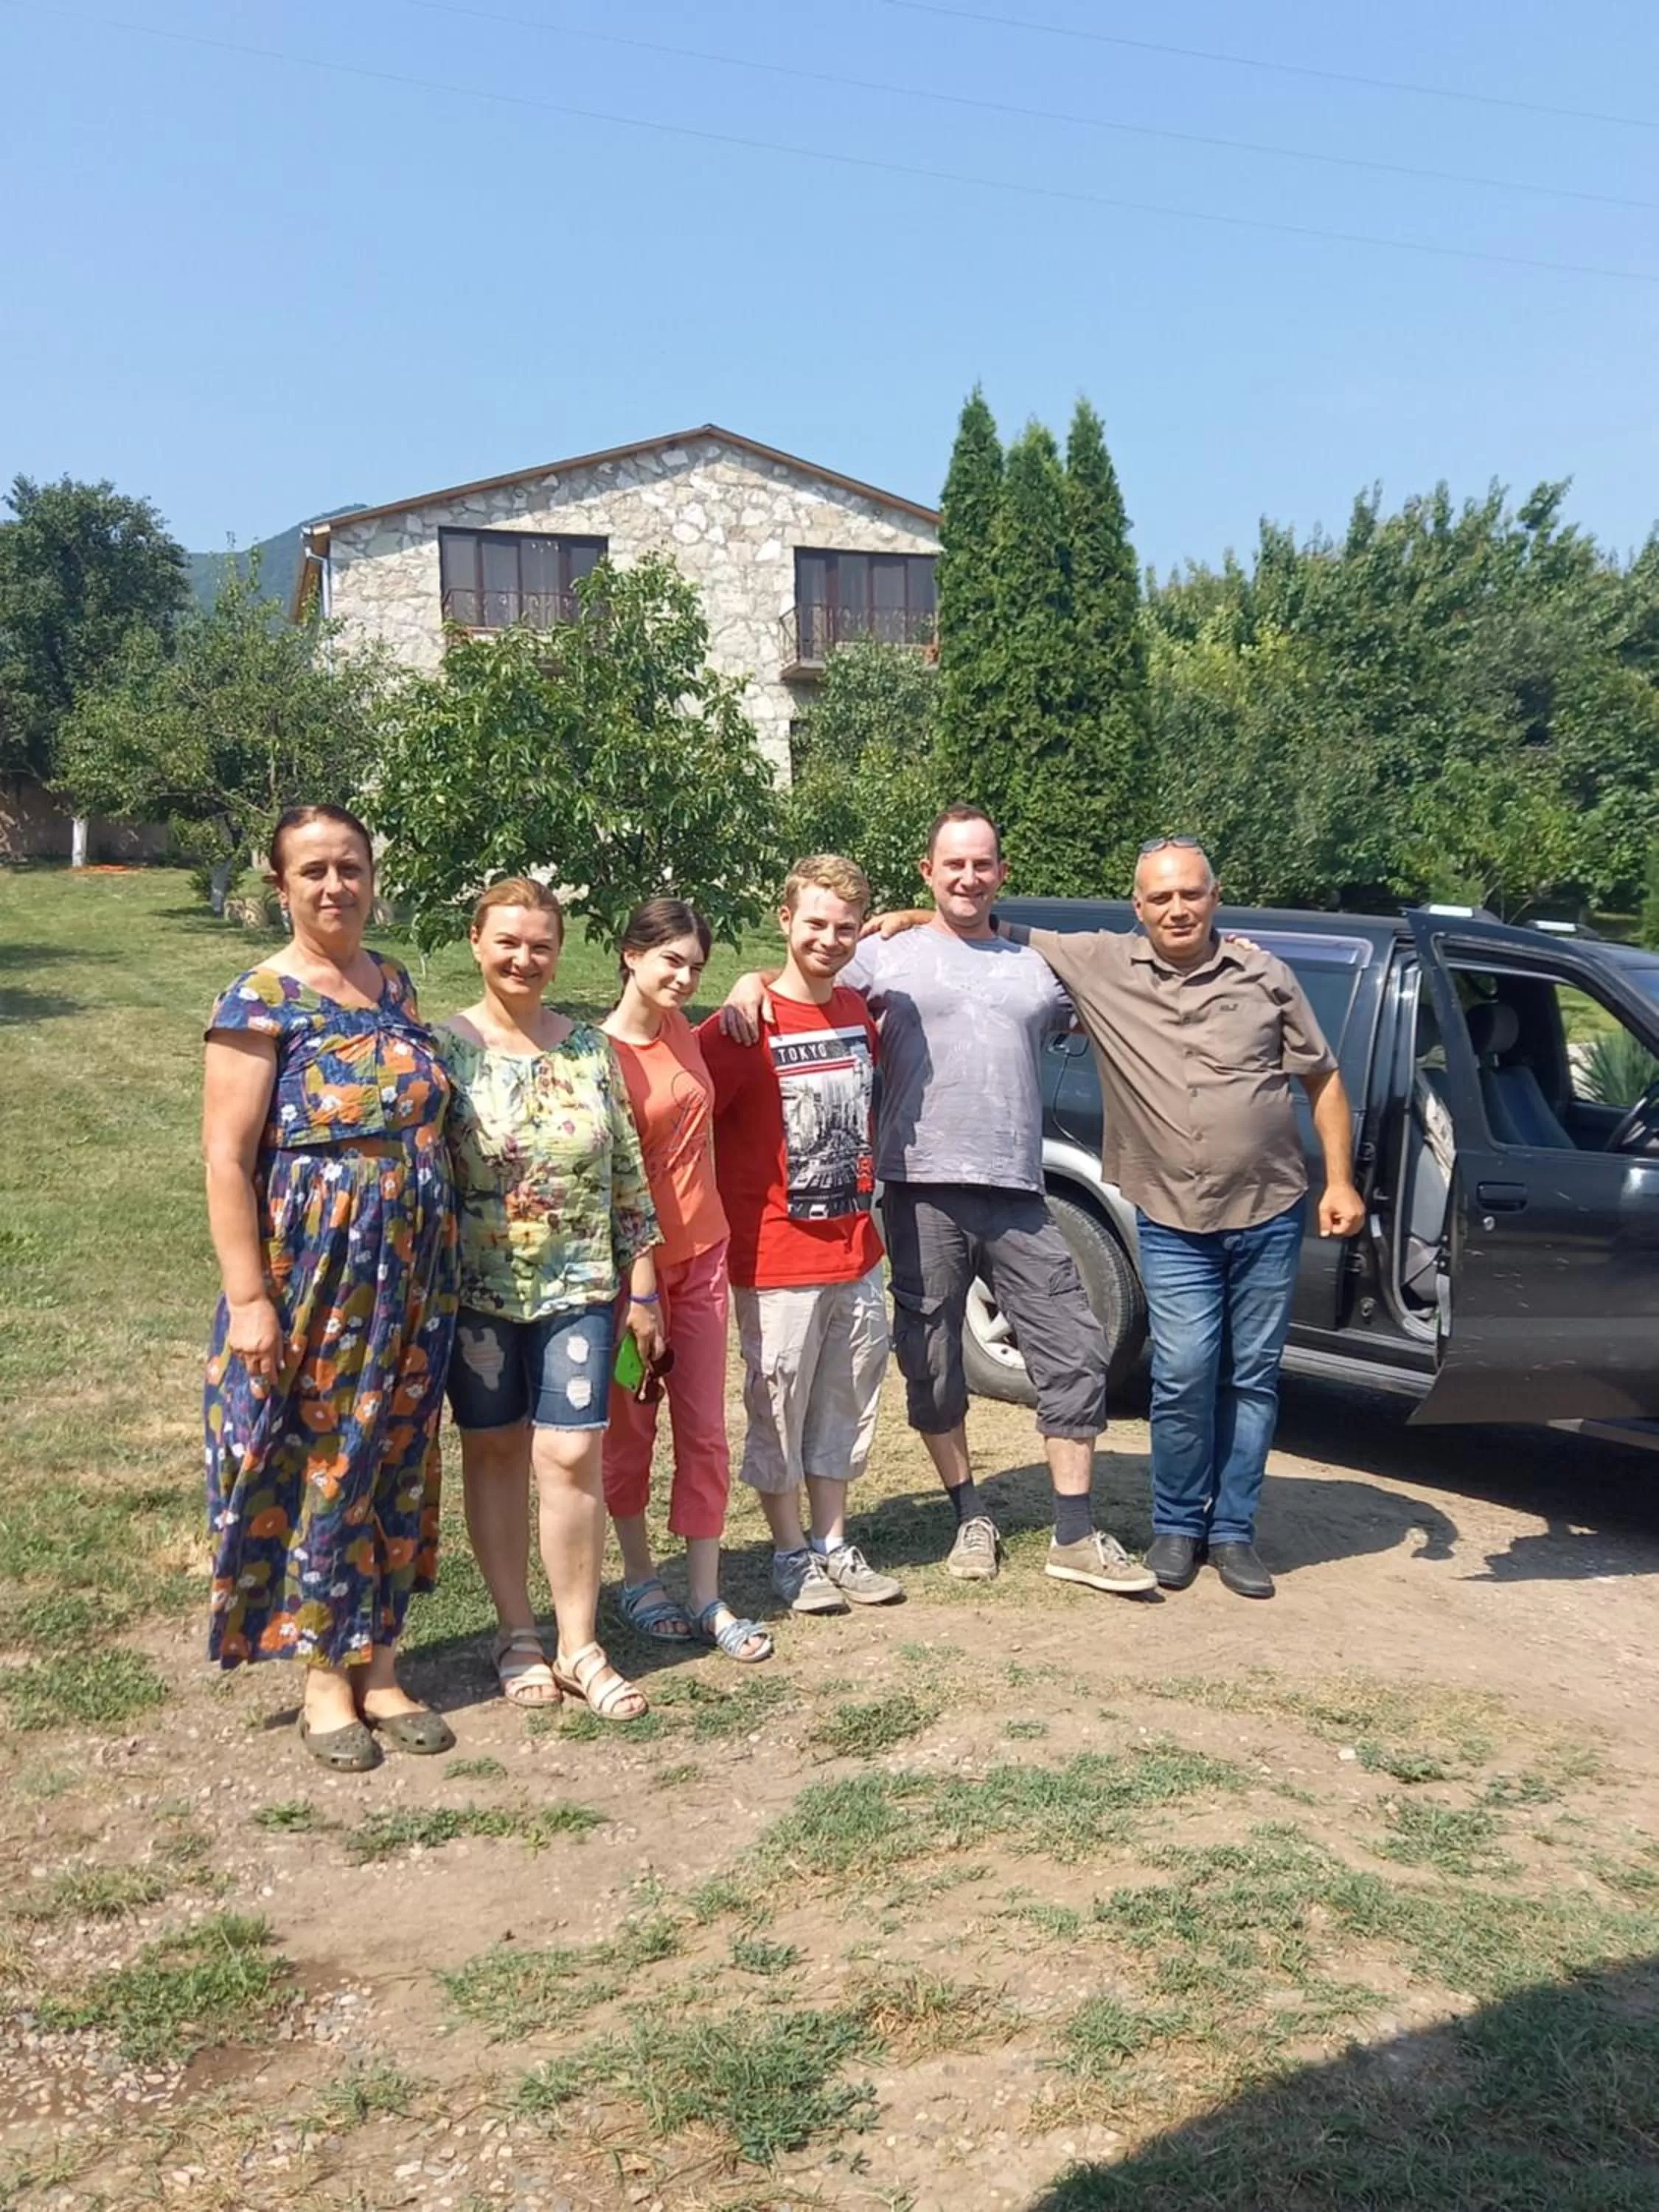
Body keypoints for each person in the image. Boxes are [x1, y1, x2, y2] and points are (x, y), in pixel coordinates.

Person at [722, 818, 1152, 1596]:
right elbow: (805, 976)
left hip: (1021, 1190)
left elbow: (1123, 999)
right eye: (953, 864)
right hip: (917, 1189)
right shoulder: (882, 955)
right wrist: (746, 983)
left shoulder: (1037, 966)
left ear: (1001, 871)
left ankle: (1076, 1532)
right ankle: (969, 1515)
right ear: (928, 870)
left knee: (1074, 1346)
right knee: (933, 1358)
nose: (968, 877)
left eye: (982, 864)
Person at [986, 837, 1366, 1599]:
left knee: (1251, 1376)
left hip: (1270, 1209)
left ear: (1214, 897)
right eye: (1160, 897)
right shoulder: (1103, 963)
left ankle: (1233, 1533)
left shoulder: (1266, 975)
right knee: (1186, 1370)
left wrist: (1341, 1181)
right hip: (1171, 1215)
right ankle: (1178, 1526)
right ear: (1138, 908)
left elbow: (1322, 1077)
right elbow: (994, 925)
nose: (1176, 908)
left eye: (1190, 893)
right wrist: (898, 919)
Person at [202, 803, 457, 1771]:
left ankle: (382, 1663)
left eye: (348, 867)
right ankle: (322, 1676)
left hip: (415, 1273)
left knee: (397, 1453)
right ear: (282, 887)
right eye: (312, 871)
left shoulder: (391, 983)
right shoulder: (258, 1000)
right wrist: (252, 1298)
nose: (334, 886)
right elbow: (226, 1160)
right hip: (315, 1276)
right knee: (324, 1458)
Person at [437, 878, 663, 1720]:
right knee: (495, 1453)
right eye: (508, 942)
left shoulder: (589, 1051)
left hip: (580, 1289)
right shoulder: (446, 1050)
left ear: (558, 951)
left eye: (540, 944)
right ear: (476, 942)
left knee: (571, 1458)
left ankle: (580, 1643)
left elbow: (628, 1176)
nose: (524, 958)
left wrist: (642, 1288)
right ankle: (517, 1636)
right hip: (480, 1298)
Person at [698, 856, 903, 1616]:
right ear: (784, 920)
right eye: (814, 922)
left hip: (855, 1252)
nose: (829, 937)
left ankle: (833, 1541)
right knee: (777, 1405)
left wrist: (905, 916)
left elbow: (933, 919)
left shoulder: (857, 1010)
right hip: (775, 1256)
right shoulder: (740, 1026)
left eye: (845, 926)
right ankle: (788, 1553)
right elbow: (671, 1088)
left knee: (847, 1402)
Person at [600, 899, 771, 1663]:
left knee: (705, 1428)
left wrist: (745, 984)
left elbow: (781, 975)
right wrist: (638, 1293)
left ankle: (705, 1593)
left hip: (702, 1261)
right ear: (630, 955)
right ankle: (639, 1578)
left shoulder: (684, 1031)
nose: (684, 976)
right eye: (670, 959)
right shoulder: (595, 1055)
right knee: (632, 1422)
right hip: (629, 1279)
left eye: (696, 964)